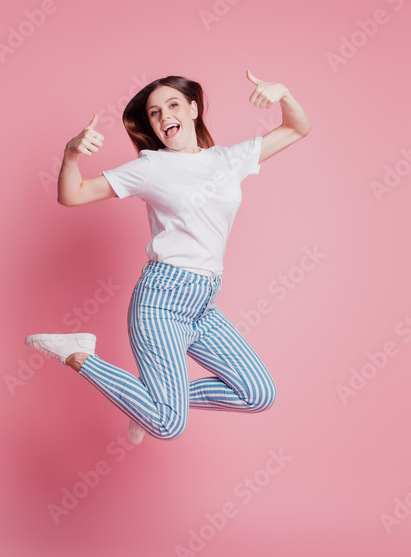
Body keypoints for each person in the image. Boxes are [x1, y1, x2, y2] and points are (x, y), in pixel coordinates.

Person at [26, 71, 311, 444]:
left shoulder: (229, 159)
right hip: (162, 300)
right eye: (155, 113)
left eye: (173, 105)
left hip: (203, 304)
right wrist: (71, 154)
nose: (164, 117)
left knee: (257, 394)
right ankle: (78, 354)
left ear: (193, 109)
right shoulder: (151, 167)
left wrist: (283, 93)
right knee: (169, 425)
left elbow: (296, 128)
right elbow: (73, 194)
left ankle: (145, 402)